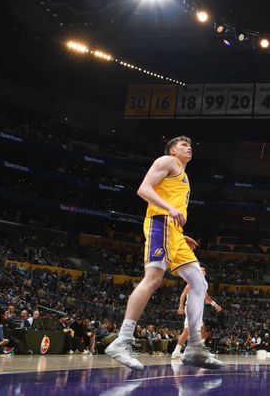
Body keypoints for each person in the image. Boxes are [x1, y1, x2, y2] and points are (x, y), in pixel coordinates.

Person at [105, 136, 221, 370]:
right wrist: (168, 209)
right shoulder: (167, 161)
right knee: (153, 279)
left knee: (200, 283)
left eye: (190, 144)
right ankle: (122, 340)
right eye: (183, 145)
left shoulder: (184, 175)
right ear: (172, 150)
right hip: (161, 223)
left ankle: (195, 347)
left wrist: (180, 231)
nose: (189, 147)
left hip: (174, 232)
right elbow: (143, 189)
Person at [171, 266, 222, 359]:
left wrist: (215, 305)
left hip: (198, 309)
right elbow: (183, 295)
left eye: (204, 270)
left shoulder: (203, 284)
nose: (202, 271)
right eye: (200, 270)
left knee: (202, 330)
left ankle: (200, 351)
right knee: (186, 331)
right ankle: (176, 351)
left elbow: (206, 297)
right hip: (191, 308)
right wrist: (180, 306)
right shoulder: (192, 282)